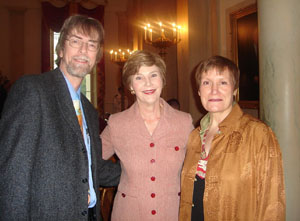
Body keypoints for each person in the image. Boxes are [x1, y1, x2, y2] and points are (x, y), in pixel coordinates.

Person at [0, 15, 120, 221]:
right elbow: (13, 178)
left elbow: (94, 167)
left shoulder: (89, 110)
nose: (83, 50)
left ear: (97, 55)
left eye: (91, 45)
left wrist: (145, 169)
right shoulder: (33, 91)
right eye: (76, 41)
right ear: (61, 49)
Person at [179, 55, 285, 220]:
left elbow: (272, 205)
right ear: (199, 90)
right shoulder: (194, 137)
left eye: (223, 82)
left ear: (234, 89)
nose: (214, 90)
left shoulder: (258, 134)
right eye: (207, 82)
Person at [100, 50, 194, 220]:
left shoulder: (184, 122)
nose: (148, 83)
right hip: (129, 214)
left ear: (163, 80)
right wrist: (120, 176)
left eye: (153, 75)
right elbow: (89, 161)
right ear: (130, 86)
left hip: (172, 213)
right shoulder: (117, 124)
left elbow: (199, 166)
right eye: (139, 77)